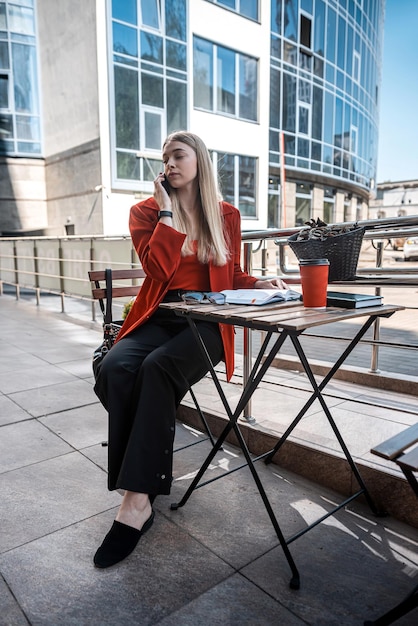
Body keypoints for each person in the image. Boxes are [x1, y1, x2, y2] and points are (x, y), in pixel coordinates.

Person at [93, 131, 287, 568]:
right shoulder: (144, 212)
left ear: (199, 160)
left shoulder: (226, 214)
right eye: (165, 158)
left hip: (208, 324)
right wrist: (166, 213)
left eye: (178, 155)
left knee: (158, 370)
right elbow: (157, 269)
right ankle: (146, 461)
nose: (170, 164)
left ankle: (135, 503)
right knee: (117, 368)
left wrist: (256, 282)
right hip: (159, 316)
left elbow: (230, 273)